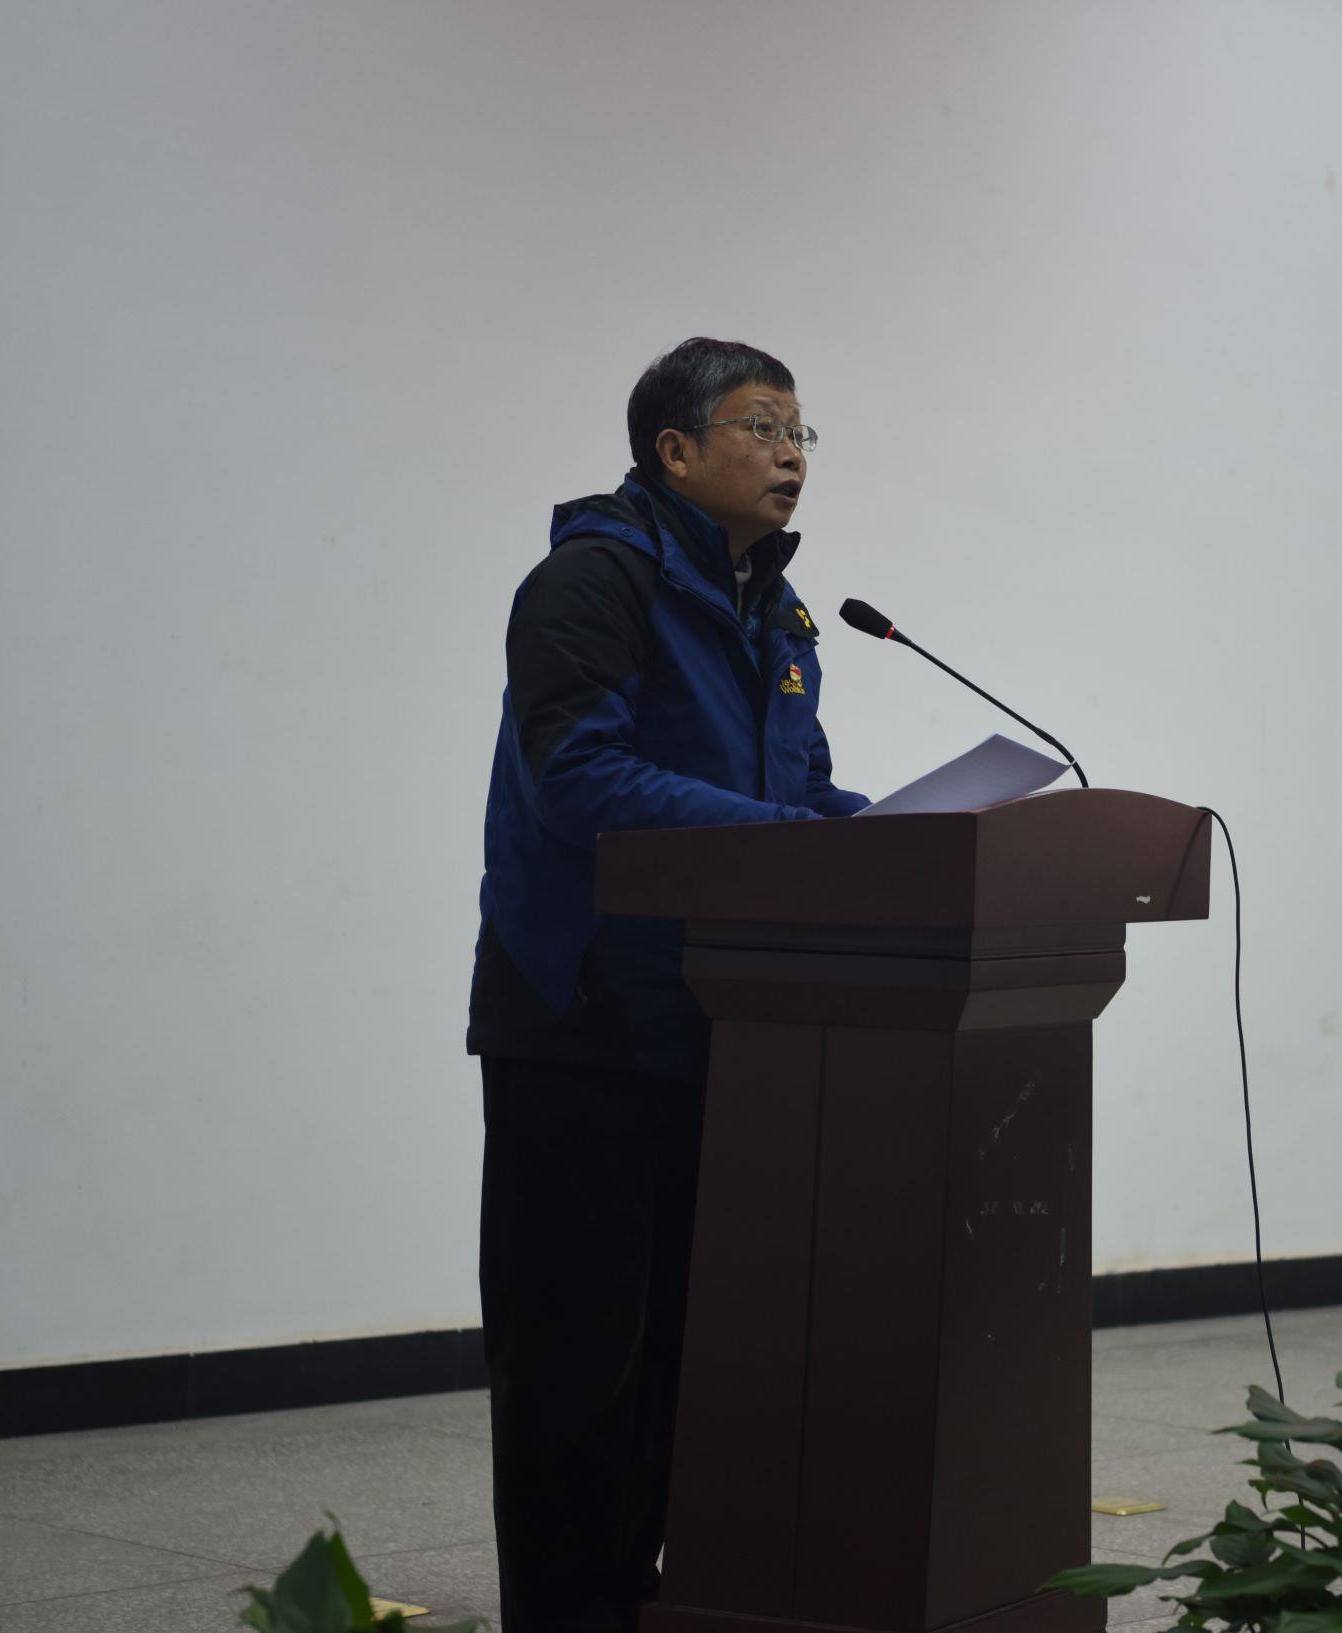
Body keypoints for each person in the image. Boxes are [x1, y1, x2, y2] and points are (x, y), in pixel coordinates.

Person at [465, 338, 869, 1633]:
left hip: (725, 1017)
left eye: (802, 431)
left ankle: (643, 1602)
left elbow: (798, 791)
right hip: (584, 1016)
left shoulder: (777, 613)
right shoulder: (592, 582)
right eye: (762, 427)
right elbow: (579, 780)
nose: (792, 454)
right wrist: (794, 839)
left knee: (688, 1361)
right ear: (675, 451)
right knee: (577, 1367)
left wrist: (909, 833)